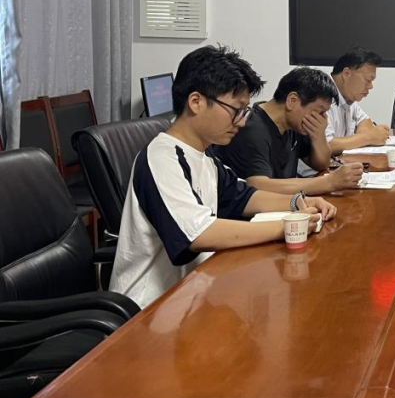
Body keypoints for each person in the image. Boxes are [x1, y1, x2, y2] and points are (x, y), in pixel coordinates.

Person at [110, 46, 336, 308]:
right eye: (236, 110)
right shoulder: (162, 157)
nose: (241, 122)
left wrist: (297, 202)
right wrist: (287, 226)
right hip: (150, 307)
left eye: (245, 111)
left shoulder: (204, 155)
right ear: (196, 102)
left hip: (193, 293)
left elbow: (244, 197)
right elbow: (199, 233)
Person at [214, 67, 366, 194]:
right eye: (319, 111)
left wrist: (319, 135)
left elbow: (321, 164)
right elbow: (259, 185)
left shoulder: (294, 124)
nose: (322, 118)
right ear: (292, 101)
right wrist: (329, 182)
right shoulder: (252, 129)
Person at [325, 46, 390, 151]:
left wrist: (363, 136)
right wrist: (368, 138)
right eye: (368, 80)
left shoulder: (348, 98)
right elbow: (325, 146)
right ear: (346, 74)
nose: (370, 86)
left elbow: (365, 121)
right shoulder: (322, 98)